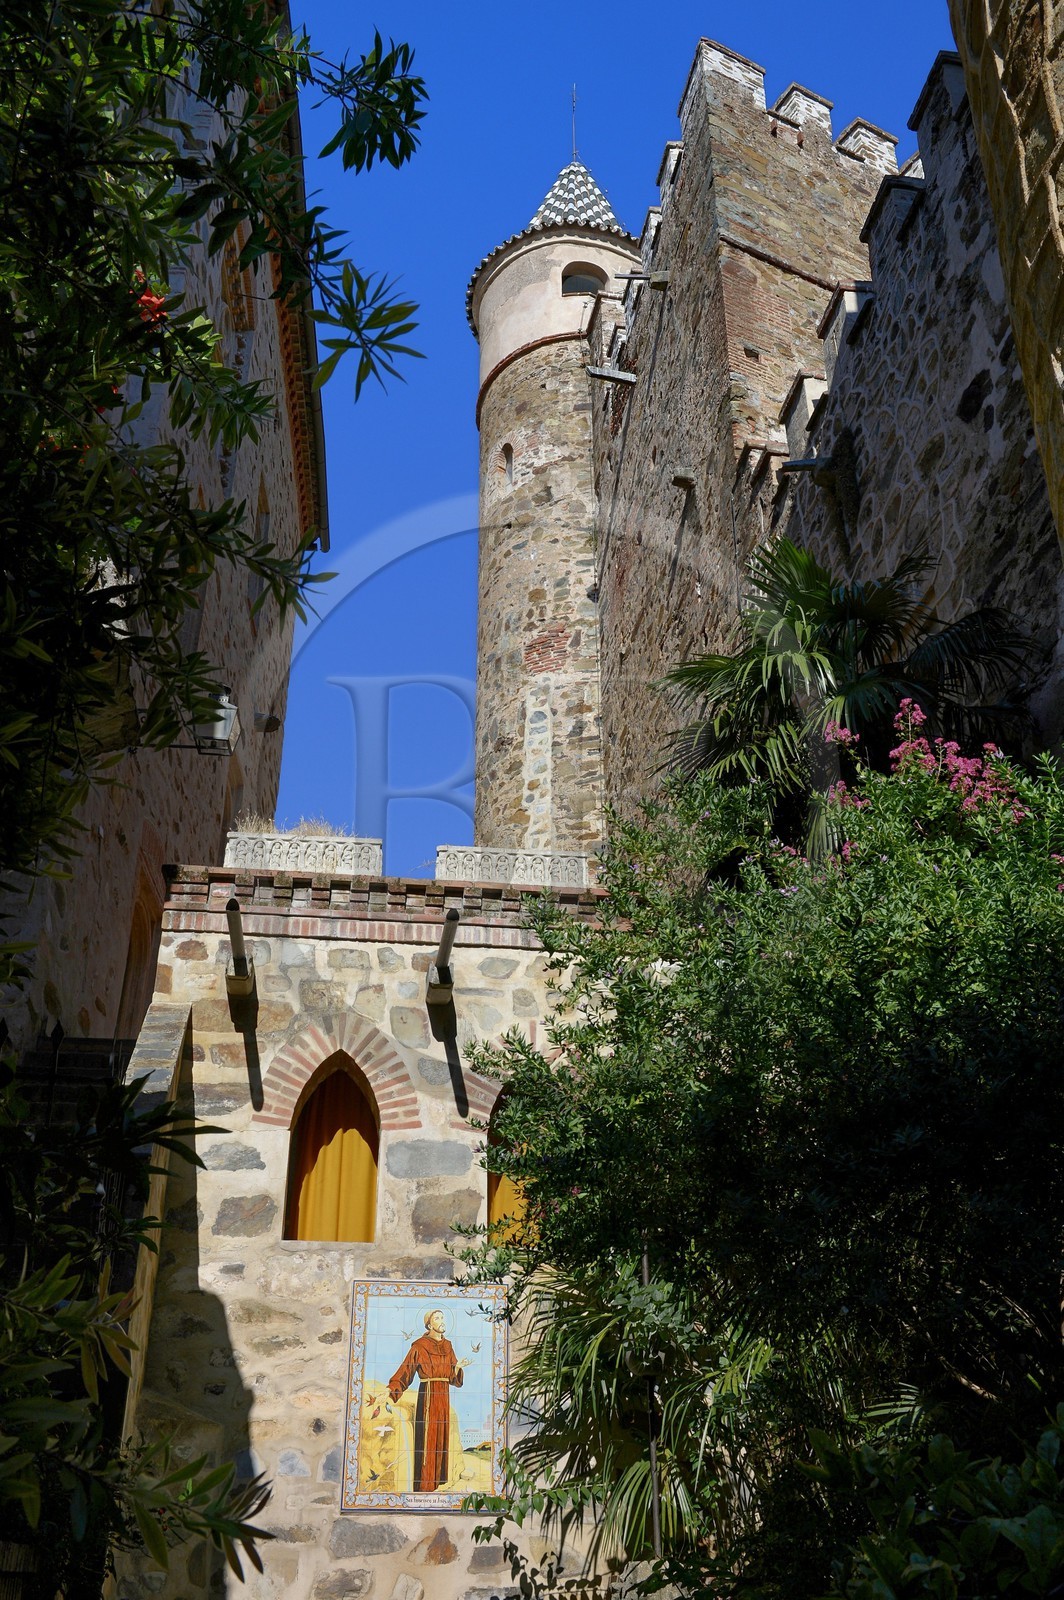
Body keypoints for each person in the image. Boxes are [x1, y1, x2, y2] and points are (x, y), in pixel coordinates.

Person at [388, 1308, 469, 1492]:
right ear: (429, 1324)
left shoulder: (448, 1346)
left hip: (444, 1393)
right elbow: (406, 1371)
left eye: (442, 1317)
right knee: (428, 1437)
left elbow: (452, 1377)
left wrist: (458, 1368)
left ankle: (438, 1480)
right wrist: (392, 1389)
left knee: (441, 1436)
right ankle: (425, 1483)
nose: (441, 1321)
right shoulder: (419, 1346)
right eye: (437, 1318)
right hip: (429, 1393)